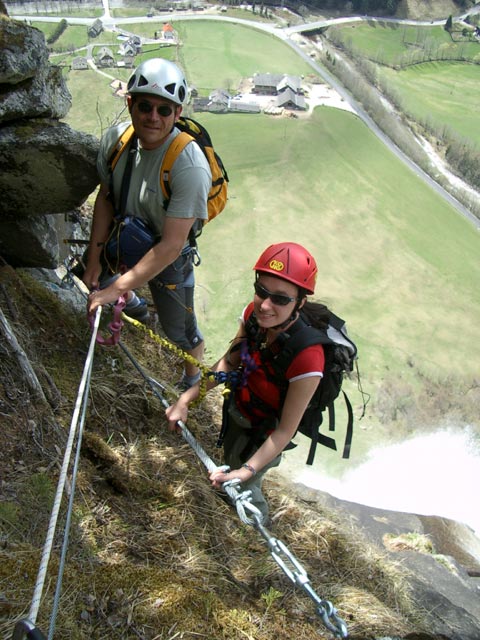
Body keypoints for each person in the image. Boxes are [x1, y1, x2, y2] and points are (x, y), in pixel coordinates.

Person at [166, 242, 327, 521]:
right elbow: (230, 362)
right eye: (261, 291)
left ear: (300, 303)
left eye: (280, 298)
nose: (265, 305)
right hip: (239, 411)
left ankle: (255, 526)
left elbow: (284, 432)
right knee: (231, 460)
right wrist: (185, 399)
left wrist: (246, 472)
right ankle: (229, 490)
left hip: (265, 434)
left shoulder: (308, 358)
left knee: (246, 489)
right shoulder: (253, 318)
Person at [85, 58, 212, 389]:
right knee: (100, 276)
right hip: (124, 233)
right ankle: (139, 309)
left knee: (179, 331)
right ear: (130, 103)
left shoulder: (189, 165)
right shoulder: (117, 141)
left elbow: (171, 246)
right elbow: (107, 198)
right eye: (144, 106)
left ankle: (192, 379)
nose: (153, 117)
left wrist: (115, 289)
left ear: (177, 114)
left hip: (170, 256)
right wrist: (95, 260)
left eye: (164, 110)